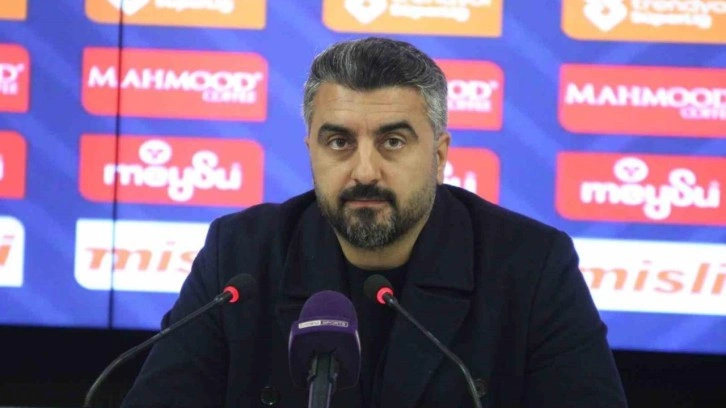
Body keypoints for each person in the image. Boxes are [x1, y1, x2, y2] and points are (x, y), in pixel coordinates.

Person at [120, 37, 628, 408]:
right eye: (339, 142)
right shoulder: (239, 256)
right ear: (311, 150)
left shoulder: (532, 266)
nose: (364, 170)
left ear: (439, 155)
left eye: (393, 141)